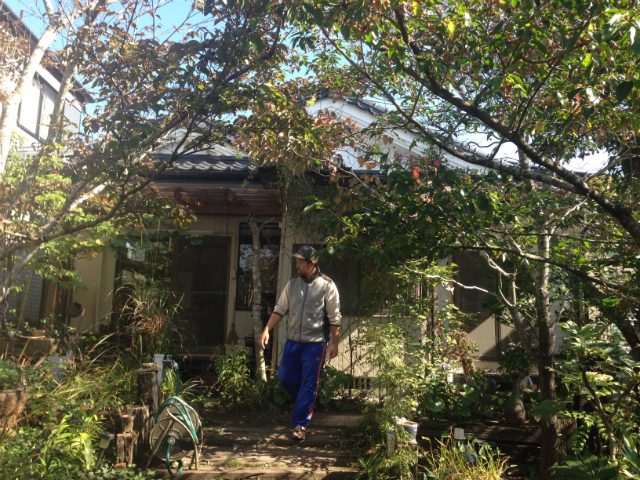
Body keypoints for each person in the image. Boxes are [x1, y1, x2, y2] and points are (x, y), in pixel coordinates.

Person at [259, 245, 341, 440]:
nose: (297, 265)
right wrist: (266, 330)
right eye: (296, 262)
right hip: (293, 342)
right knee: (284, 377)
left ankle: (300, 425)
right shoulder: (292, 285)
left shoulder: (327, 285)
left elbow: (335, 317)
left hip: (316, 344)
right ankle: (305, 401)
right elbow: (280, 309)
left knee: (309, 383)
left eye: (300, 262)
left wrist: (335, 343)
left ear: (312, 263)